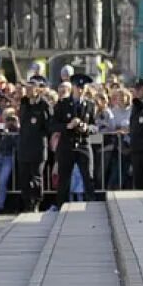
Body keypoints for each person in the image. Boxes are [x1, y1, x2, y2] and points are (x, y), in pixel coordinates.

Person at [52, 74, 97, 210]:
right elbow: (53, 125)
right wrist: (68, 126)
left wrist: (86, 127)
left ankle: (92, 205)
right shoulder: (62, 104)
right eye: (78, 87)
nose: (80, 89)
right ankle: (61, 205)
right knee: (64, 178)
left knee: (88, 176)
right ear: (73, 87)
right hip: (67, 144)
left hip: (83, 143)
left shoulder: (90, 104)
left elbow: (94, 126)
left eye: (83, 87)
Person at [18, 76, 52, 211]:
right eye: (27, 88)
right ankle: (26, 203)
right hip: (24, 145)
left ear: (38, 89)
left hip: (38, 146)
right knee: (24, 177)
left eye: (31, 88)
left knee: (36, 177)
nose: (28, 90)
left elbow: (49, 125)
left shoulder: (44, 105)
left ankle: (36, 202)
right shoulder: (24, 103)